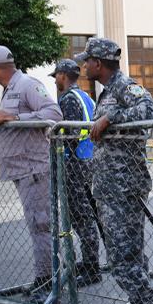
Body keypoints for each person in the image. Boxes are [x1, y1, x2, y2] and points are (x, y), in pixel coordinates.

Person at [77, 37, 153, 304]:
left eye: (87, 60)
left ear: (99, 63)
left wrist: (111, 117)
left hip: (123, 187)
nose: (84, 65)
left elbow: (150, 111)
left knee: (122, 259)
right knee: (130, 256)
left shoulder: (123, 86)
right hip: (109, 186)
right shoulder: (107, 90)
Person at [0, 45, 62, 304]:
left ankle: (47, 283)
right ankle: (49, 279)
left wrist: (15, 116)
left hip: (34, 168)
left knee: (41, 226)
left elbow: (53, 114)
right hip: (22, 169)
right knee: (38, 226)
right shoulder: (10, 90)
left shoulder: (26, 85)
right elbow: (14, 125)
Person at [50, 59, 101, 286]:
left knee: (82, 217)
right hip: (86, 159)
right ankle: (89, 262)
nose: (55, 80)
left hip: (74, 163)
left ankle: (91, 267)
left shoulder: (69, 99)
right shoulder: (86, 96)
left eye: (56, 76)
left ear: (63, 75)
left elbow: (68, 133)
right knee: (84, 214)